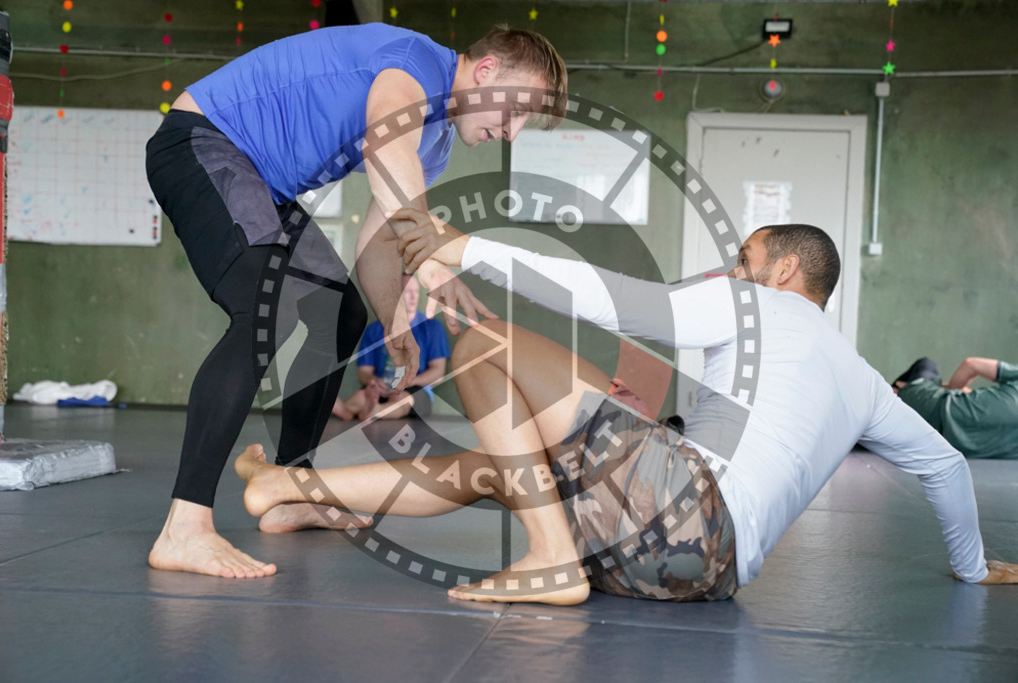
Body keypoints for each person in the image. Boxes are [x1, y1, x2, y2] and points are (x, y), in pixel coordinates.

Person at [234, 218, 1018, 604]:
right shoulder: (861, 379)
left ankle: (548, 560)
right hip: (699, 575)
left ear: (781, 270)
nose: (728, 270)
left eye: (743, 259)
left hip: (674, 509)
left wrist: (464, 248)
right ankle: (296, 493)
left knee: (475, 338)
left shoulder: (753, 307)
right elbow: (946, 465)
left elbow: (614, 303)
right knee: (505, 465)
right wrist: (971, 566)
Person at [144, 23, 567, 578]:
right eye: (513, 113)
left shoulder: (434, 143)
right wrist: (435, 262)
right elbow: (384, 140)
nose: (511, 133)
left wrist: (396, 323)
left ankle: (292, 492)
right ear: (486, 72)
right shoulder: (414, 63)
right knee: (263, 309)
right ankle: (184, 526)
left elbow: (377, 243)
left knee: (340, 315)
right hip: (204, 141)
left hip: (262, 184)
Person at [332, 275, 449, 421]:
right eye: (407, 292)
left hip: (414, 388)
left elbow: (438, 372)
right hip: (382, 387)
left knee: (403, 400)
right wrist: (374, 381)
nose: (413, 297)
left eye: (416, 291)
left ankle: (376, 411)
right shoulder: (374, 330)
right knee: (361, 396)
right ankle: (346, 411)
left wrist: (409, 382)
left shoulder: (432, 328)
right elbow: (364, 372)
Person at [892, 357, 1018, 459]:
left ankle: (890, 397)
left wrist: (950, 388)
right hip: (940, 446)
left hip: (926, 407)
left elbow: (970, 365)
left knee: (927, 364)